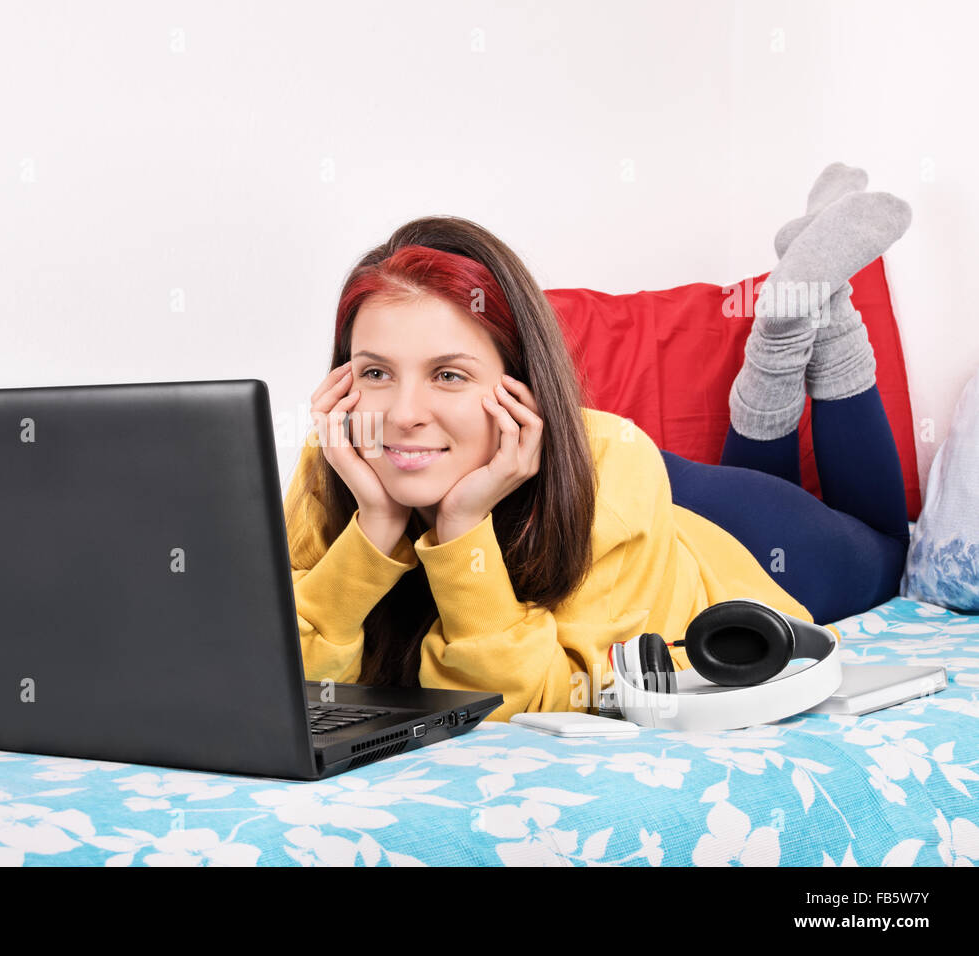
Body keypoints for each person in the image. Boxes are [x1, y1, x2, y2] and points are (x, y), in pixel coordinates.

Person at [284, 171, 911, 721]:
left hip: (642, 510)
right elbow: (290, 680)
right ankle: (790, 319)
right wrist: (372, 530)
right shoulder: (343, 459)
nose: (402, 416)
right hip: (600, 505)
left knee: (885, 548)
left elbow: (525, 705)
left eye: (448, 374)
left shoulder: (614, 470)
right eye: (374, 372)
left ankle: (804, 320)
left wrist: (462, 526)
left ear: (521, 384)